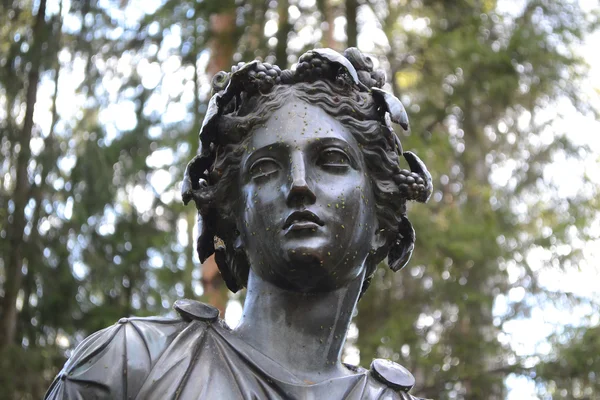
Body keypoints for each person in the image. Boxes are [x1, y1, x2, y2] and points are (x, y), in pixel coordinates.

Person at [45, 48, 433, 400]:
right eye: (266, 168)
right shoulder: (130, 365)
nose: (298, 183)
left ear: (382, 220)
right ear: (233, 222)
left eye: (331, 161)